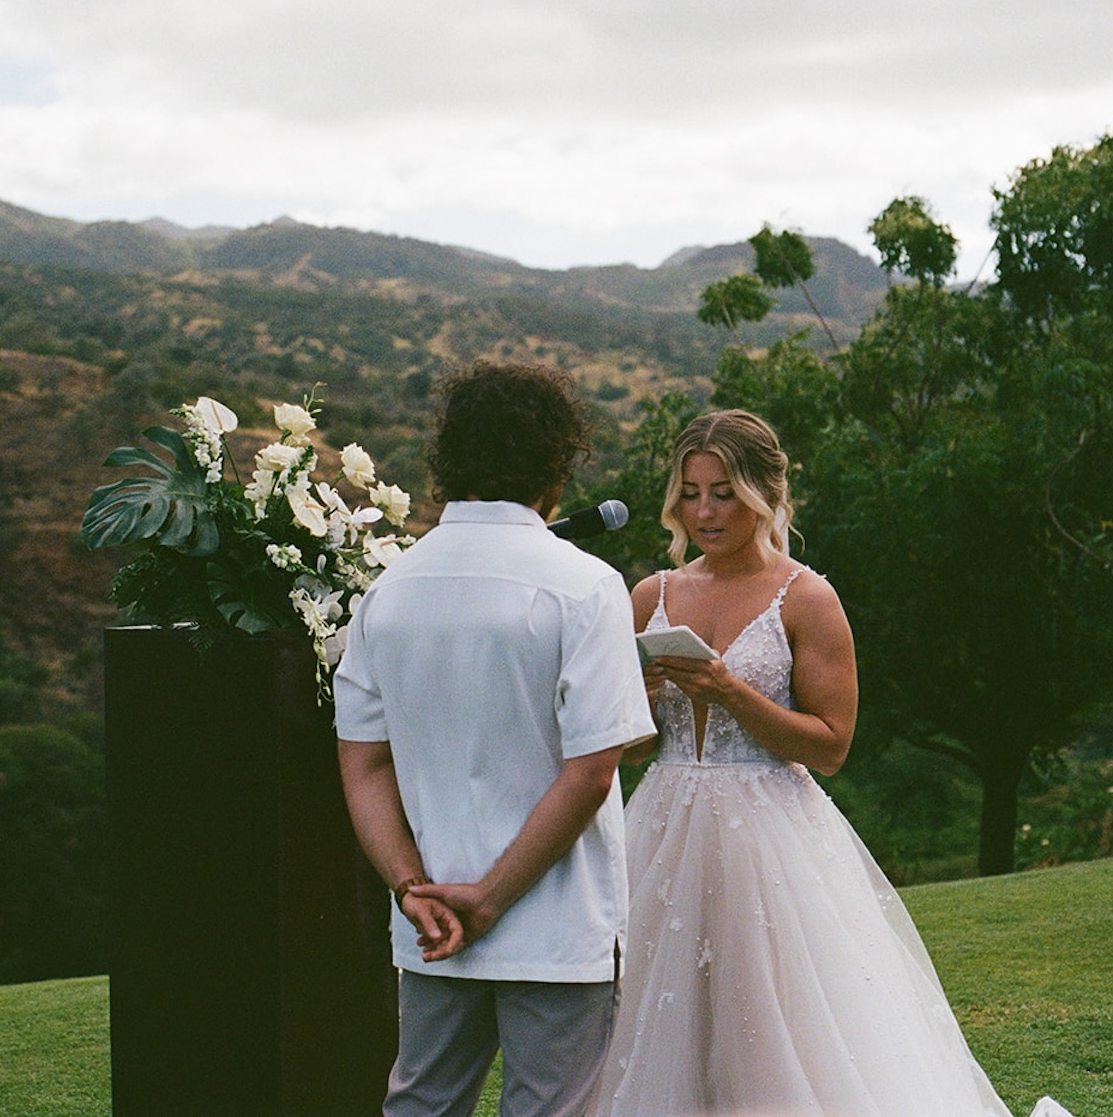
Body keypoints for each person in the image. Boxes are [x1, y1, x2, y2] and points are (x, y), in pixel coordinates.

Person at [592, 408, 1070, 1117]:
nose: (704, 511)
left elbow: (832, 742)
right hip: (662, 822)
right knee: (657, 1018)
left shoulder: (807, 597)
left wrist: (729, 690)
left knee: (766, 1019)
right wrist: (640, 696)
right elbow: (629, 746)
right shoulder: (650, 595)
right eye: (691, 493)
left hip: (768, 835)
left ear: (762, 492)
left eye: (722, 491)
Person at [334, 360, 657, 1117]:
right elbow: (591, 771)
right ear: (557, 463)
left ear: (449, 461)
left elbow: (362, 764)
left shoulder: (388, 591)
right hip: (555, 925)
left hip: (432, 924)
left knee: (421, 1107)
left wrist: (413, 888)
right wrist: (488, 897)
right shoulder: (584, 586)